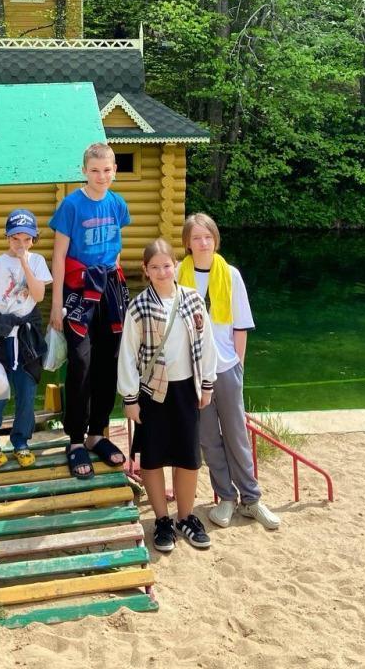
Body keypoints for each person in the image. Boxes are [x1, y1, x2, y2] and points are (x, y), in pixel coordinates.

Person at [179, 213, 280, 531]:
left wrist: (239, 365)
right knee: (209, 438)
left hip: (226, 366)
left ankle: (251, 499)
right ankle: (225, 497)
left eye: (208, 236)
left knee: (236, 434)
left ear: (215, 239)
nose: (203, 243)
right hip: (193, 370)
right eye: (196, 238)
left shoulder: (230, 274)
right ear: (187, 243)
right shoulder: (179, 274)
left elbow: (241, 325)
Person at [119, 238, 216, 552]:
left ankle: (186, 516)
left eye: (166, 265)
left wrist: (207, 383)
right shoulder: (139, 306)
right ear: (145, 270)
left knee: (188, 456)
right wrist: (130, 398)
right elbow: (128, 354)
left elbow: (206, 342)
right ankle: (162, 519)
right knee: (153, 456)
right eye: (155, 267)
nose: (162, 272)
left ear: (175, 265)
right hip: (152, 391)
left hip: (186, 386)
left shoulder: (192, 299)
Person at [49, 142, 131, 479]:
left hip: (110, 288)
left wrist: (119, 293)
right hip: (79, 292)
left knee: (109, 361)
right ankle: (75, 439)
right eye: (95, 170)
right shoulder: (71, 205)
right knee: (81, 362)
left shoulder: (117, 204)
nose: (101, 176)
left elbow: (116, 250)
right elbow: (58, 256)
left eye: (107, 170)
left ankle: (97, 432)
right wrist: (56, 304)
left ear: (114, 170)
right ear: (84, 171)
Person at [0, 209, 52, 469]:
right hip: (1, 334)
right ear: (7, 237)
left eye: (26, 239)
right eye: (15, 239)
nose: (20, 244)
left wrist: (24, 262)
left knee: (27, 392)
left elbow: (39, 296)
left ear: (34, 239)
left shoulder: (37, 261)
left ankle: (21, 441)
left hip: (27, 336)